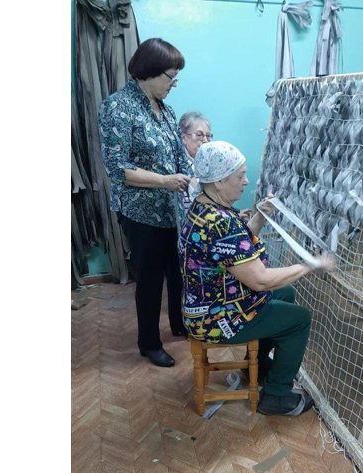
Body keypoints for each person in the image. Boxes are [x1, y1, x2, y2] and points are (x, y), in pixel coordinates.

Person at [179, 141, 337, 416]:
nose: (246, 181)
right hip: (215, 319)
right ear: (219, 181)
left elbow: (235, 248)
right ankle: (276, 396)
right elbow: (260, 280)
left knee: (286, 293)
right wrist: (310, 266)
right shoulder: (220, 222)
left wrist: (261, 216)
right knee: (299, 319)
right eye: (240, 176)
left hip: (205, 305)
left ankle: (261, 366)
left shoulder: (203, 208)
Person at [99, 38, 193, 368]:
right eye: (171, 77)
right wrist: (165, 181)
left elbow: (180, 158)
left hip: (170, 211)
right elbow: (117, 168)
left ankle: (179, 324)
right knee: (151, 279)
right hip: (140, 213)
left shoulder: (165, 111)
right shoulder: (117, 108)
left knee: (177, 272)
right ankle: (149, 343)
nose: (173, 84)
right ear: (149, 72)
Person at [177, 111, 211, 211]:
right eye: (199, 135)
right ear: (184, 138)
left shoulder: (211, 163)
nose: (205, 140)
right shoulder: (178, 165)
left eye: (208, 136)